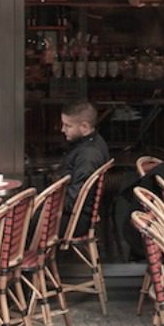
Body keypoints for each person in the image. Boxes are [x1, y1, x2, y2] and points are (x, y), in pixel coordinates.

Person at [55, 100, 110, 235]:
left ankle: (33, 256)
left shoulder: (88, 156)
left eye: (68, 126)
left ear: (84, 127)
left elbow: (75, 201)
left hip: (76, 219)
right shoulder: (93, 144)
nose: (63, 129)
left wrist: (46, 202)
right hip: (77, 214)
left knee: (18, 223)